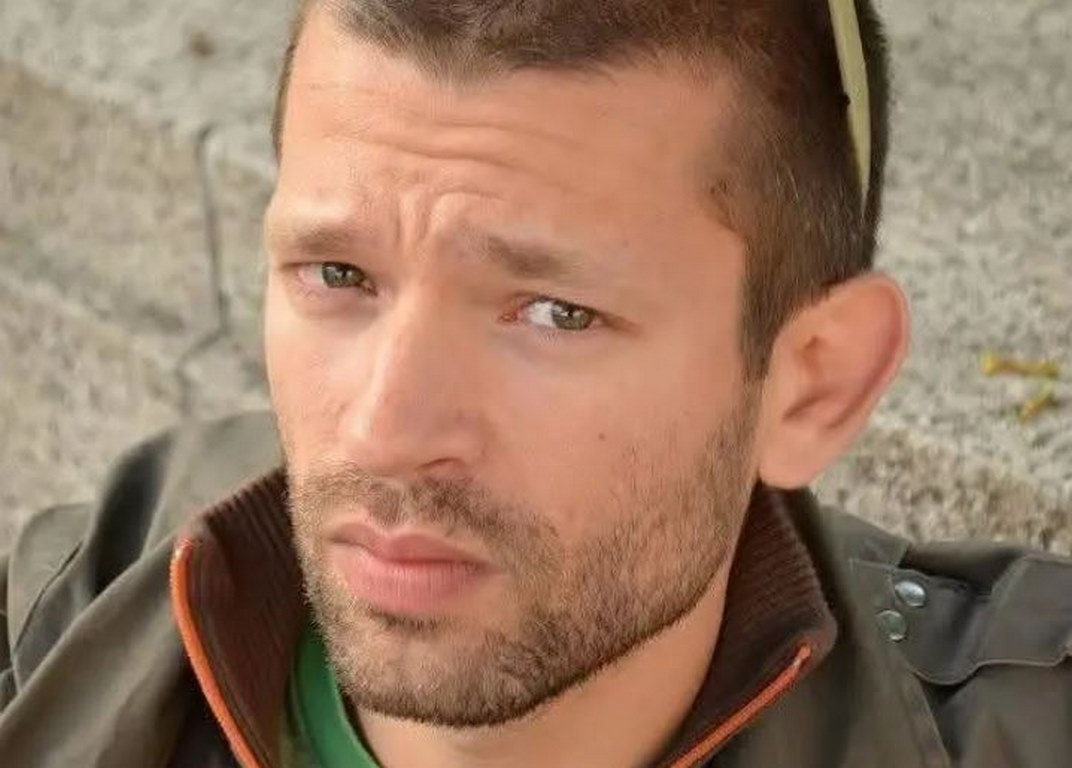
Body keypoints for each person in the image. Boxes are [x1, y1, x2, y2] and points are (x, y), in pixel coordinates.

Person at [2, 0, 1070, 765]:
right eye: (338, 275)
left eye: (555, 313)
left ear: (810, 387)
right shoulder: (80, 606)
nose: (382, 431)